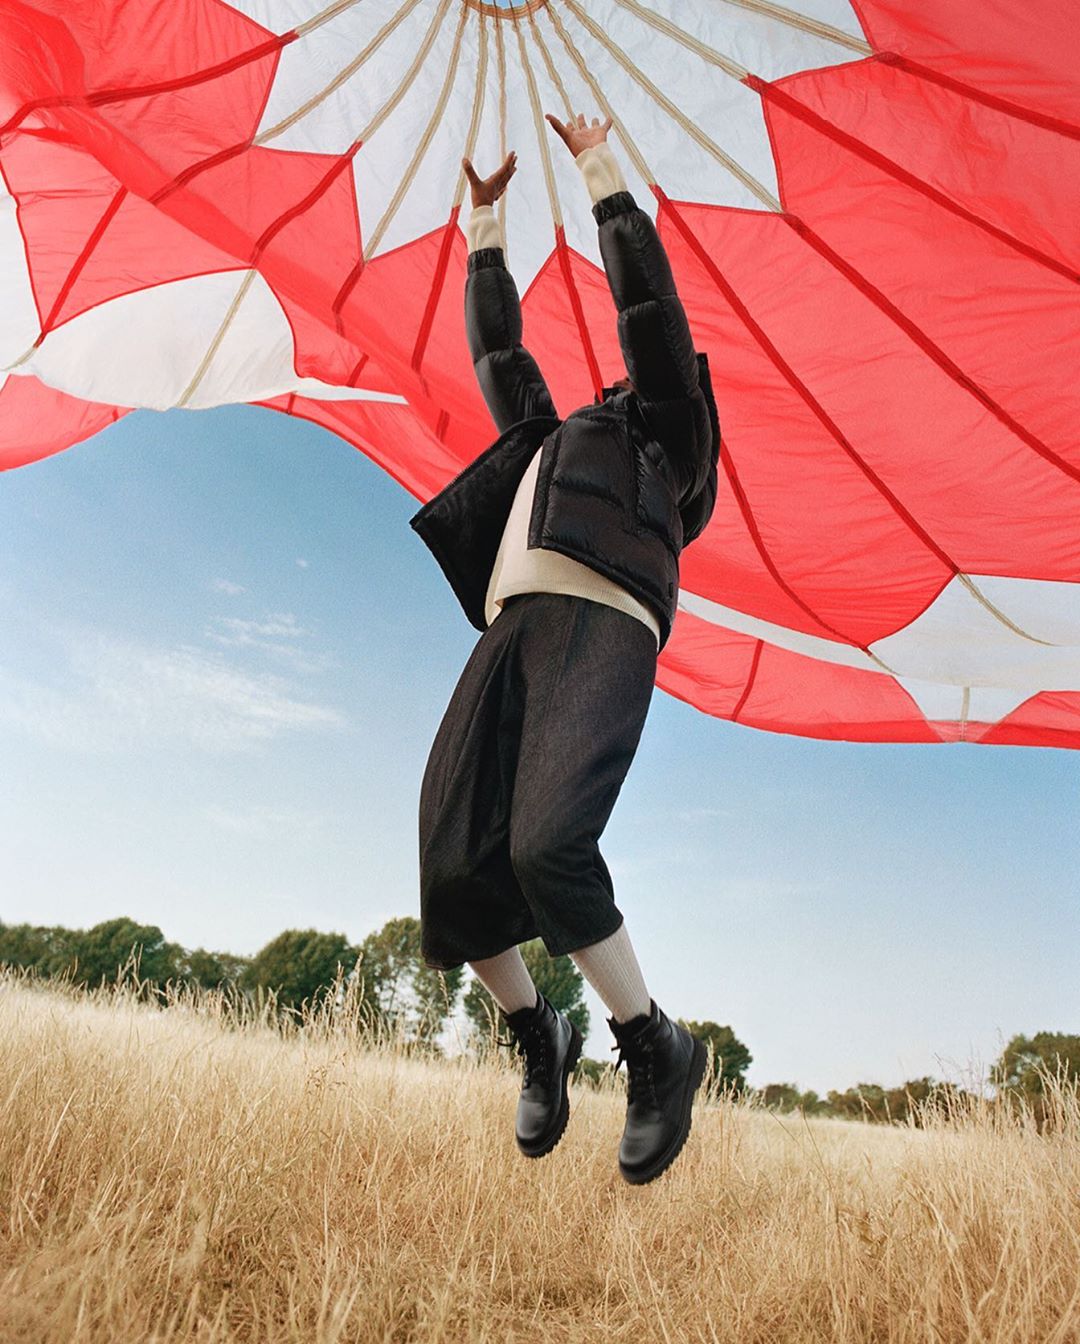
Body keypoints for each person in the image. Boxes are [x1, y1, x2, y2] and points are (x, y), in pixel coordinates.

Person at [409, 111, 720, 1185]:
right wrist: (485, 220)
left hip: (608, 619)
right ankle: (539, 1034)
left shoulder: (671, 432)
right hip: (516, 625)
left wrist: (600, 165)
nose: (616, 386)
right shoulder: (545, 436)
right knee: (451, 864)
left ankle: (654, 1048)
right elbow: (500, 347)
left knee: (549, 845)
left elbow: (650, 313)